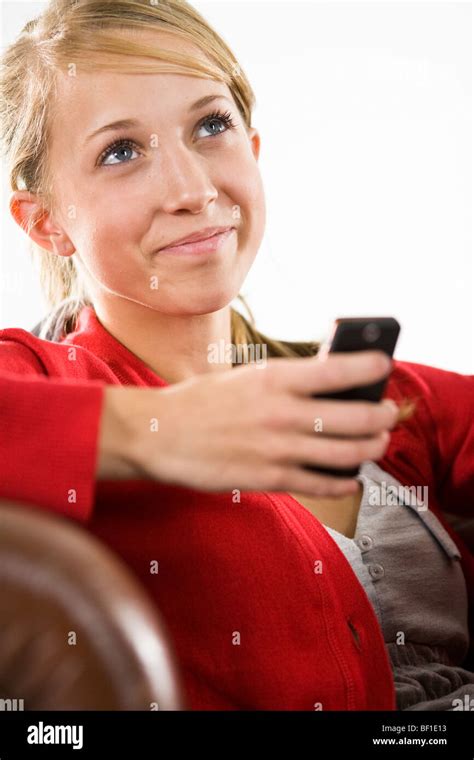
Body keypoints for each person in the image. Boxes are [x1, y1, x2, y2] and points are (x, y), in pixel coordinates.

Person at [0, 0, 472, 711]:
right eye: (120, 152)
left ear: (251, 150)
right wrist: (157, 431)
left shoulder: (376, 395)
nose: (194, 190)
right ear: (46, 222)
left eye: (210, 126)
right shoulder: (40, 376)